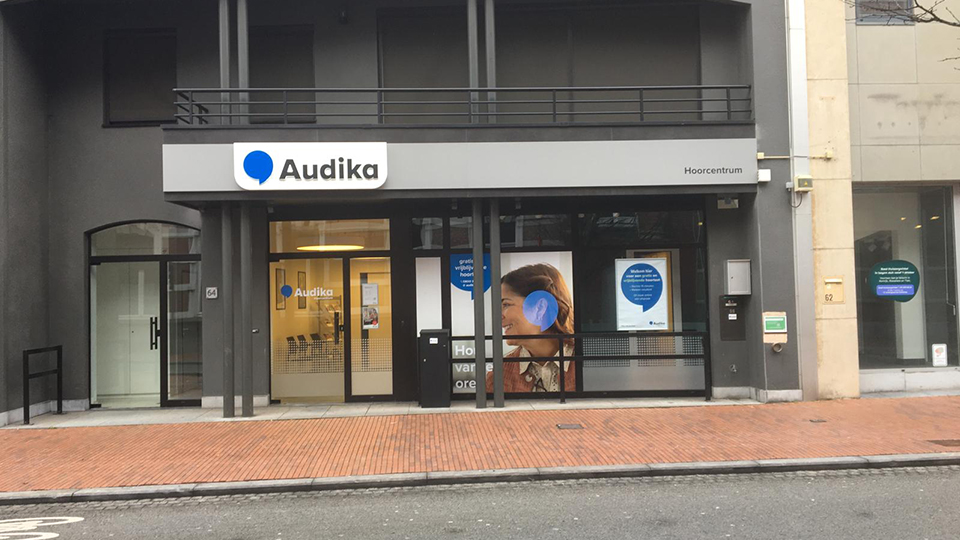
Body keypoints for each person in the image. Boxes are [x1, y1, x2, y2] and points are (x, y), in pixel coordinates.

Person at [486, 263, 575, 393]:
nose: (498, 315)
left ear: (540, 308)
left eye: (506, 304)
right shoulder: (499, 376)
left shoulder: (590, 363)